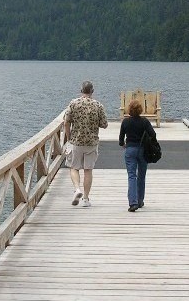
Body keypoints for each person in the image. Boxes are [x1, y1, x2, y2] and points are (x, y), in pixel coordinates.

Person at [64, 80, 108, 208]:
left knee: (74, 167)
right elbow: (104, 124)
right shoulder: (98, 105)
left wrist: (68, 137)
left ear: (81, 91)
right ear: (92, 91)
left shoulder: (74, 103)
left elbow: (66, 122)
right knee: (88, 170)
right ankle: (86, 199)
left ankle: (77, 189)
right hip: (91, 142)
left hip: (76, 141)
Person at [118, 99, 156, 212]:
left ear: (129, 110)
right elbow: (153, 134)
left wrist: (124, 144)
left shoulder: (125, 122)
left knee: (131, 176)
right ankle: (140, 200)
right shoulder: (144, 122)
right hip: (143, 150)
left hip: (130, 150)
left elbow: (120, 140)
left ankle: (132, 202)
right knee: (141, 176)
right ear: (140, 109)